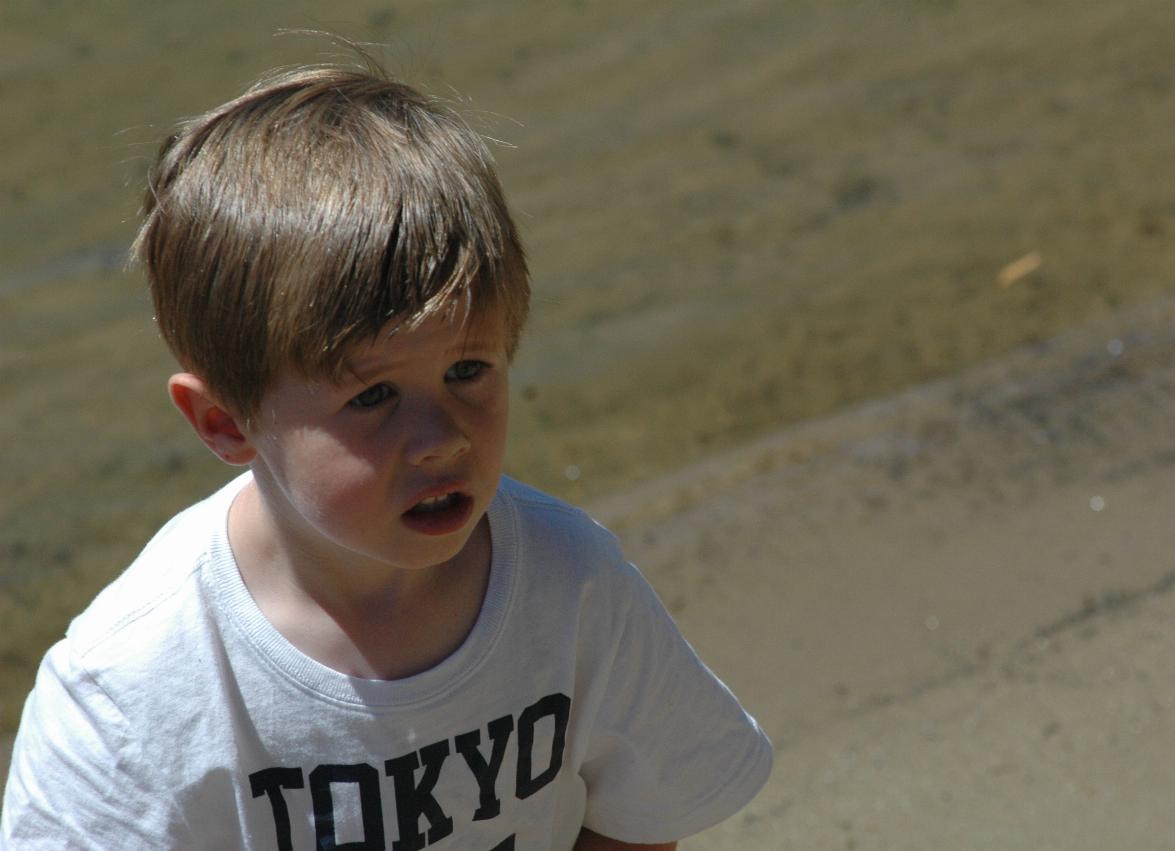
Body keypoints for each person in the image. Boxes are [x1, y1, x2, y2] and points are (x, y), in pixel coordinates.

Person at [0, 59, 771, 850]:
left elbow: (638, 817)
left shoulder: (571, 586)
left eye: (467, 370)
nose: (445, 437)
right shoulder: (133, 688)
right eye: (371, 397)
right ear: (225, 421)